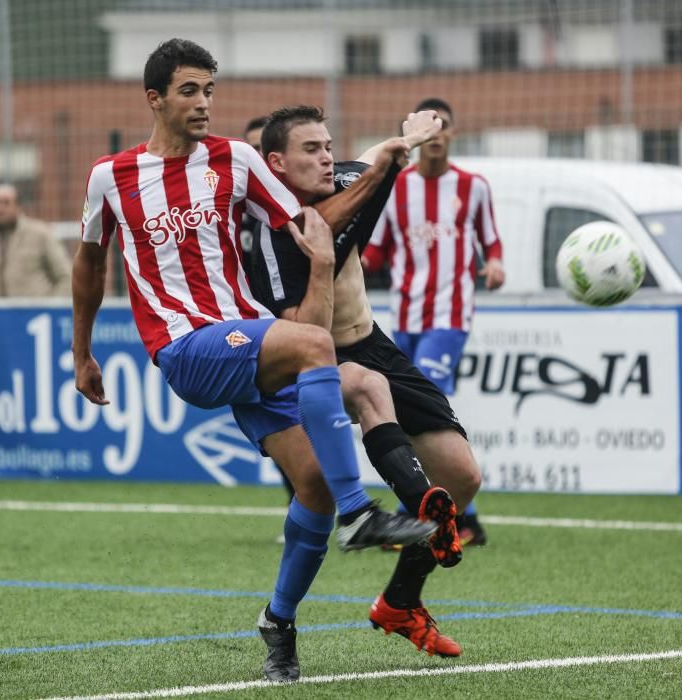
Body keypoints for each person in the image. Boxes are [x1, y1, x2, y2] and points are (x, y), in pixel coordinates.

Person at [71, 38, 435, 683]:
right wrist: (82, 351)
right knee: (314, 345)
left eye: (210, 89)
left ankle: (279, 621)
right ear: (155, 98)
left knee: (312, 488)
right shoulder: (111, 176)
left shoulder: (235, 160)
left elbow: (308, 218)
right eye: (190, 90)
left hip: (245, 339)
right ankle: (361, 514)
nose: (204, 102)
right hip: (184, 346)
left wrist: (374, 171)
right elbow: (90, 262)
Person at [250, 104, 483, 659]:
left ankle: (400, 601)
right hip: (305, 359)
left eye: (328, 144)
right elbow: (304, 332)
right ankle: (280, 619)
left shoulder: (349, 179)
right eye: (313, 149)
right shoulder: (267, 237)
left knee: (463, 475)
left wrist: (404, 140)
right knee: (318, 489)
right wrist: (391, 156)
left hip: (370, 341)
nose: (328, 156)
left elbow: (372, 163)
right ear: (275, 164)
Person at [362, 97, 506, 547]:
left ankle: (413, 514)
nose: (438, 136)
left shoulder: (473, 186)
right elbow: (376, 253)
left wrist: (496, 267)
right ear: (420, 136)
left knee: (421, 408)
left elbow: (492, 242)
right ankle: (467, 517)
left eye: (444, 127)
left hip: (449, 317)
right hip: (402, 317)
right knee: (408, 414)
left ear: (452, 134)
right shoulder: (397, 188)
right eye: (431, 128)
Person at [243, 115, 296, 510]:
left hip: (285, 319)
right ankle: (302, 500)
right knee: (279, 416)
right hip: (245, 327)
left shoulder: (285, 213)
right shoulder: (225, 205)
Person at [0, 183, 71, 297]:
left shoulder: (40, 234)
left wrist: (51, 307)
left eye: (6, 203)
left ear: (18, 206)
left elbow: (66, 276)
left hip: (36, 312)